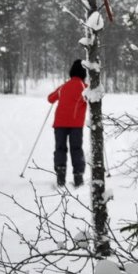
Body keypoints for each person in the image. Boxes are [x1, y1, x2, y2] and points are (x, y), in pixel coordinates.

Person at [47, 59, 89, 188]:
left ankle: (60, 178)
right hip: (76, 125)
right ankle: (78, 178)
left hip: (60, 124)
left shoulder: (64, 86)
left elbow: (50, 99)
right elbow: (94, 100)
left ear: (71, 73)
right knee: (76, 149)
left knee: (60, 148)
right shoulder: (85, 88)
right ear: (84, 74)